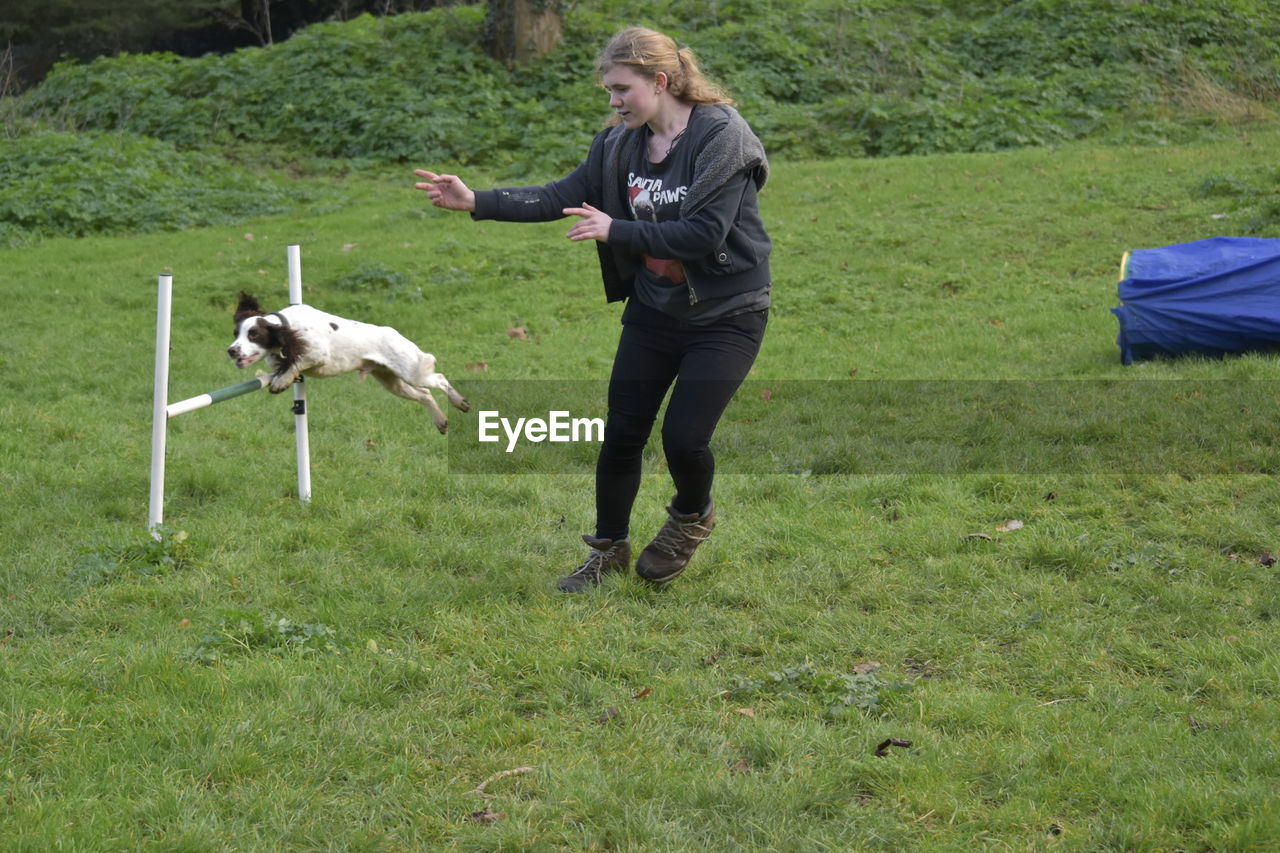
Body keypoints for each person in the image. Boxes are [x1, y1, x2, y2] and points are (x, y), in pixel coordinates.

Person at [414, 26, 772, 592]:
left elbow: (705, 234)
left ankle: (690, 516)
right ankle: (608, 550)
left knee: (684, 439)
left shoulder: (722, 137)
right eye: (608, 89)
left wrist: (617, 229)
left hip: (726, 314)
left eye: (621, 89)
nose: (613, 101)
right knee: (623, 433)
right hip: (655, 314)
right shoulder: (618, 145)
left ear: (660, 81)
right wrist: (476, 200)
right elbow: (563, 195)